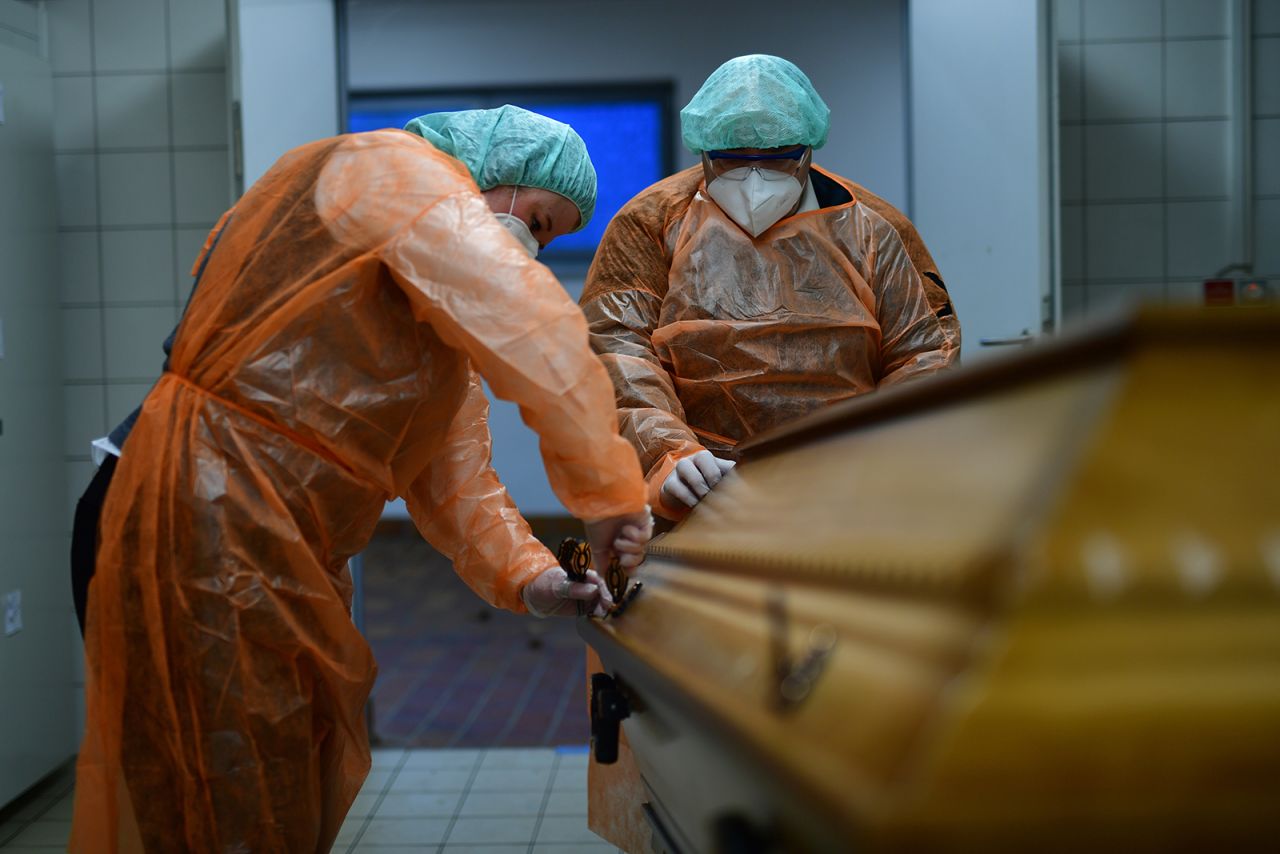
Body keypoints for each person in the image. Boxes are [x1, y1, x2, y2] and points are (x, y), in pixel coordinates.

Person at [69, 105, 653, 853]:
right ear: (492, 176)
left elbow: (455, 476)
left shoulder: (425, 329)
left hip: (269, 537)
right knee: (213, 785)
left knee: (274, 777)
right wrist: (609, 496)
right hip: (187, 504)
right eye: (537, 224)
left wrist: (533, 577)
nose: (531, 254)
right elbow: (533, 330)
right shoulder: (384, 170)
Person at [581, 54, 961, 522]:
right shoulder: (652, 221)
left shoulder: (871, 226)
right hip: (701, 495)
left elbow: (924, 355)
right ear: (703, 151)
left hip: (848, 494)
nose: (755, 177)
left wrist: (876, 450)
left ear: (807, 149)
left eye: (778, 158)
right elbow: (618, 353)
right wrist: (667, 454)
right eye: (732, 161)